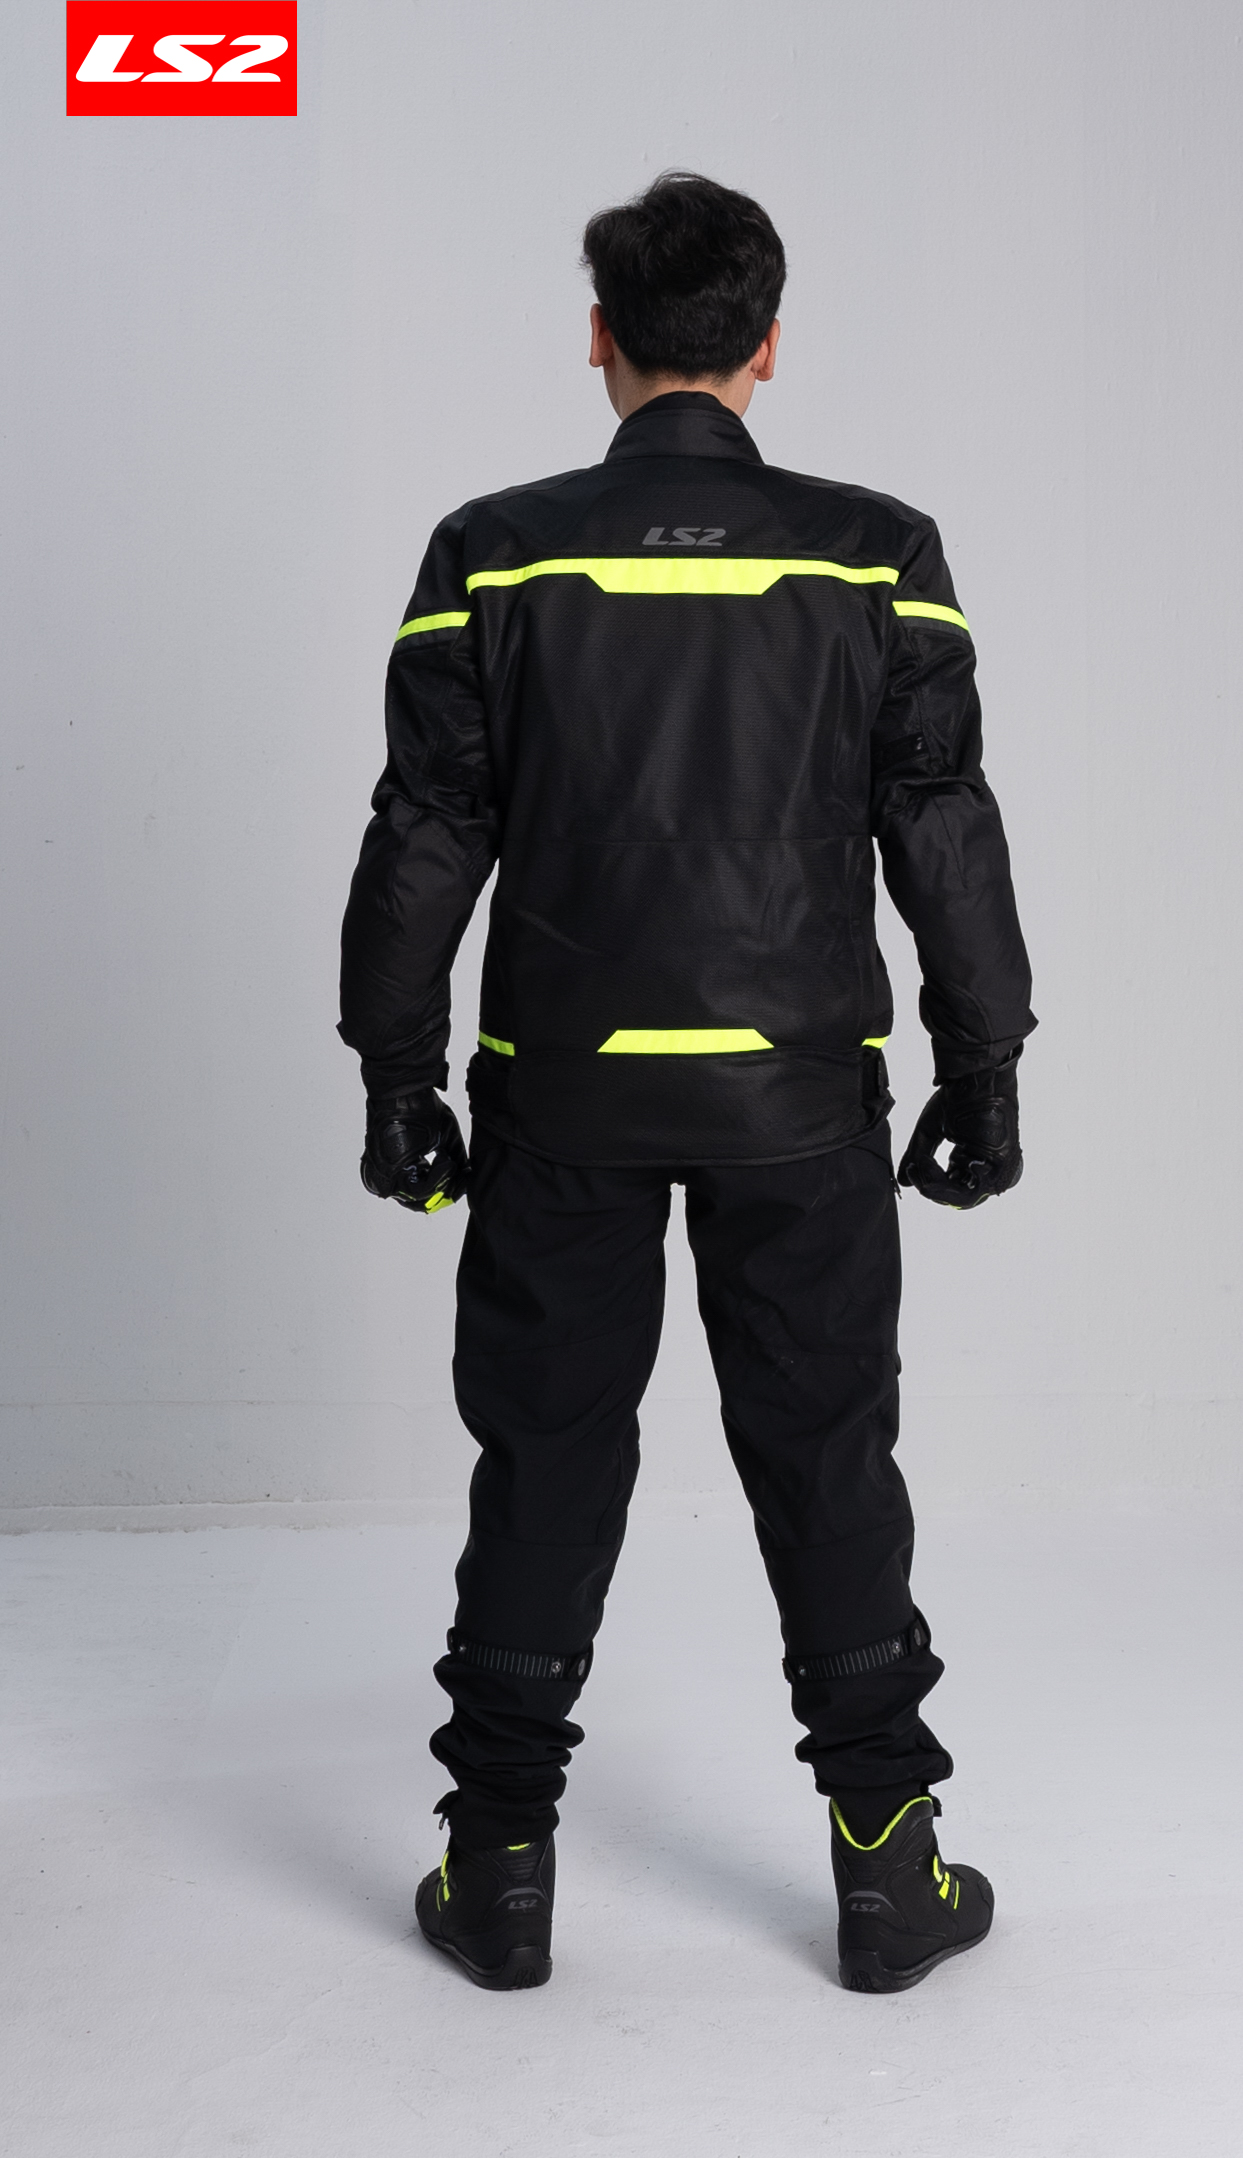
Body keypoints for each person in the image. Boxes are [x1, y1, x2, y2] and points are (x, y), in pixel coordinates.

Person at [338, 172, 1035, 1995]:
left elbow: (427, 830)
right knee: (828, 1455)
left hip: (559, 1093)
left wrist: (396, 1072)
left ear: (601, 336)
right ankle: (887, 1870)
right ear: (768, 345)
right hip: (798, 1101)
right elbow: (941, 822)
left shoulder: (493, 550)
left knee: (545, 1455)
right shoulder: (876, 550)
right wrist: (986, 1061)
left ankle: (499, 1869)